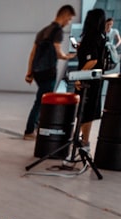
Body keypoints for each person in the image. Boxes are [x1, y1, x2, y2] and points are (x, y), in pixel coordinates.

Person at [24, 5, 77, 139]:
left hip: (37, 71)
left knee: (41, 99)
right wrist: (67, 56)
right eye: (69, 19)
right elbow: (57, 51)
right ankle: (30, 131)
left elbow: (32, 53)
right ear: (64, 15)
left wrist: (29, 72)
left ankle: (34, 128)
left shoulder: (43, 31)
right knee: (42, 102)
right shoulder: (57, 31)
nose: (68, 22)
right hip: (48, 71)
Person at [75, 9, 108, 146]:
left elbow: (92, 60)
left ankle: (84, 141)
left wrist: (78, 76)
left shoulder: (91, 36)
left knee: (85, 110)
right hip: (96, 79)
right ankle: (82, 138)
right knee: (89, 109)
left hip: (88, 79)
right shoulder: (101, 36)